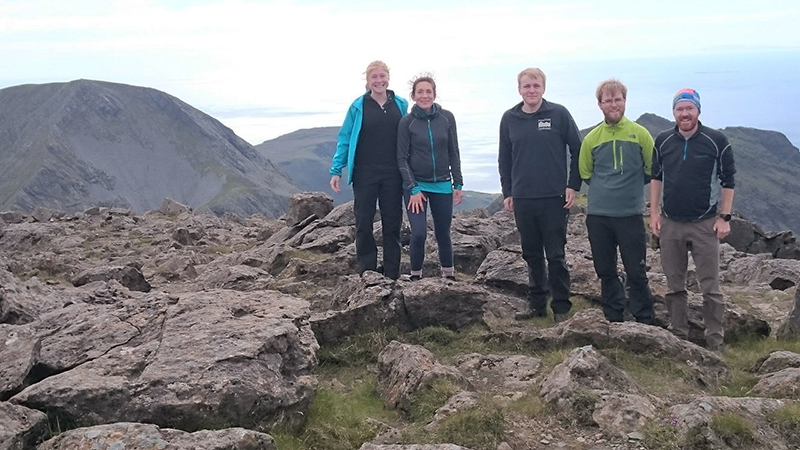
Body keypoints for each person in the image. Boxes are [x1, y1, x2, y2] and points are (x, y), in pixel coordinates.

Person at [650, 88, 736, 352]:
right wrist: (653, 213)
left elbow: (728, 180)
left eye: (689, 108)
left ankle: (714, 342)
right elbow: (656, 177)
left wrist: (724, 217)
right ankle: (679, 336)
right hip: (671, 223)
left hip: (704, 222)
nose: (684, 113)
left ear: (698, 110)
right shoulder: (663, 140)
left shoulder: (716, 140)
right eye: (680, 109)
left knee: (710, 286)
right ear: (673, 112)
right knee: (674, 285)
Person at [498, 67, 582, 322]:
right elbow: (505, 158)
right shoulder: (509, 118)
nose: (531, 90)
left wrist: (573, 185)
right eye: (526, 86)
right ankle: (536, 305)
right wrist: (508, 191)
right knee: (531, 253)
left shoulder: (558, 113)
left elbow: (578, 149)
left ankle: (561, 307)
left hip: (554, 197)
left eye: (536, 85)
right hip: (523, 197)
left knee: (555, 254)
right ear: (519, 89)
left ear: (543, 88)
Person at [578, 79, 655, 324]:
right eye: (608, 100)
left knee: (636, 270)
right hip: (599, 215)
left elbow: (651, 169)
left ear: (625, 101)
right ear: (600, 104)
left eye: (618, 99)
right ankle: (613, 315)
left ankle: (644, 317)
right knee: (606, 269)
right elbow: (586, 173)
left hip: (630, 214)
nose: (614, 104)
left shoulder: (641, 134)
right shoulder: (591, 138)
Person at [329, 61, 408, 280]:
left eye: (382, 76)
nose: (379, 81)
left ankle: (392, 272)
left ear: (388, 78)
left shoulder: (400, 104)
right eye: (374, 77)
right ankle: (368, 270)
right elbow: (345, 138)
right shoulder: (358, 106)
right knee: (363, 221)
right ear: (368, 81)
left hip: (393, 173)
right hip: (365, 173)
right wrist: (336, 169)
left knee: (392, 222)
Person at [397, 75, 463, 280]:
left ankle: (449, 276)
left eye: (428, 92)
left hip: (443, 183)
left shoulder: (447, 118)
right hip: (416, 187)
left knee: (443, 233)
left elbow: (454, 151)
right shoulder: (407, 122)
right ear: (413, 96)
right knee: (418, 233)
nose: (424, 96)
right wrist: (413, 189)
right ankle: (415, 276)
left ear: (434, 94)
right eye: (420, 92)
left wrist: (458, 182)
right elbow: (401, 158)